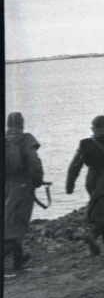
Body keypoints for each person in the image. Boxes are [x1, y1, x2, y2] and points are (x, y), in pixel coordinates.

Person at [66, 115, 104, 257]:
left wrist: (70, 184)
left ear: (93, 128)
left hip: (92, 180)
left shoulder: (86, 145)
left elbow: (75, 164)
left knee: (102, 211)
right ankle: (92, 235)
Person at [4, 112, 44, 271]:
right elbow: (34, 162)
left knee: (11, 221)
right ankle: (13, 256)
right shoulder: (25, 139)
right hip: (21, 186)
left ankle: (18, 259)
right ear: (22, 124)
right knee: (19, 222)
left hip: (6, 186)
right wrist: (38, 180)